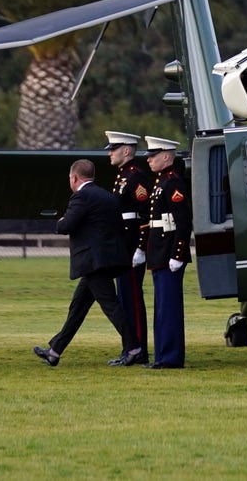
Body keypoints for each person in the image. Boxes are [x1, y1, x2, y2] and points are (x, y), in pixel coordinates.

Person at [33, 159, 143, 367]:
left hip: (93, 263)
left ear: (74, 177)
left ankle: (134, 347)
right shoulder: (107, 197)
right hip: (106, 260)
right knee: (78, 306)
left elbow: (67, 225)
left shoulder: (81, 197)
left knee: (110, 305)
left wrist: (59, 222)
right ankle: (55, 351)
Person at [140, 136, 193, 369]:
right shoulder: (161, 181)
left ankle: (170, 357)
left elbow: (183, 221)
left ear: (166, 156)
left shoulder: (172, 182)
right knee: (161, 308)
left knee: (169, 308)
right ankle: (162, 355)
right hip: (159, 251)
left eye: (153, 155)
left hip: (169, 251)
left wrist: (178, 254)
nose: (149, 160)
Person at [104, 130, 153, 367]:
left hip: (132, 246)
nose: (109, 154)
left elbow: (145, 215)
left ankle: (138, 349)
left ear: (126, 151)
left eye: (113, 149)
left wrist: (140, 248)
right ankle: (130, 348)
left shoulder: (136, 177)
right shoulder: (123, 176)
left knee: (132, 300)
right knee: (124, 299)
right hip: (123, 246)